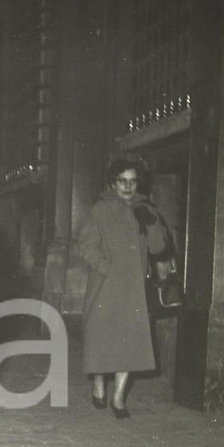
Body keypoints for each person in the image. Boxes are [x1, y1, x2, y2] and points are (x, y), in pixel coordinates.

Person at [78, 158, 169, 419]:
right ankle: (98, 382)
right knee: (102, 337)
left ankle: (118, 397)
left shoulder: (145, 208)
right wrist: (105, 268)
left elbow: (159, 248)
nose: (128, 187)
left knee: (129, 341)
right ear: (113, 183)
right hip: (105, 286)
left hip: (133, 288)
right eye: (122, 181)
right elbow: (86, 246)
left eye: (133, 181)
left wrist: (151, 222)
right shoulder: (101, 209)